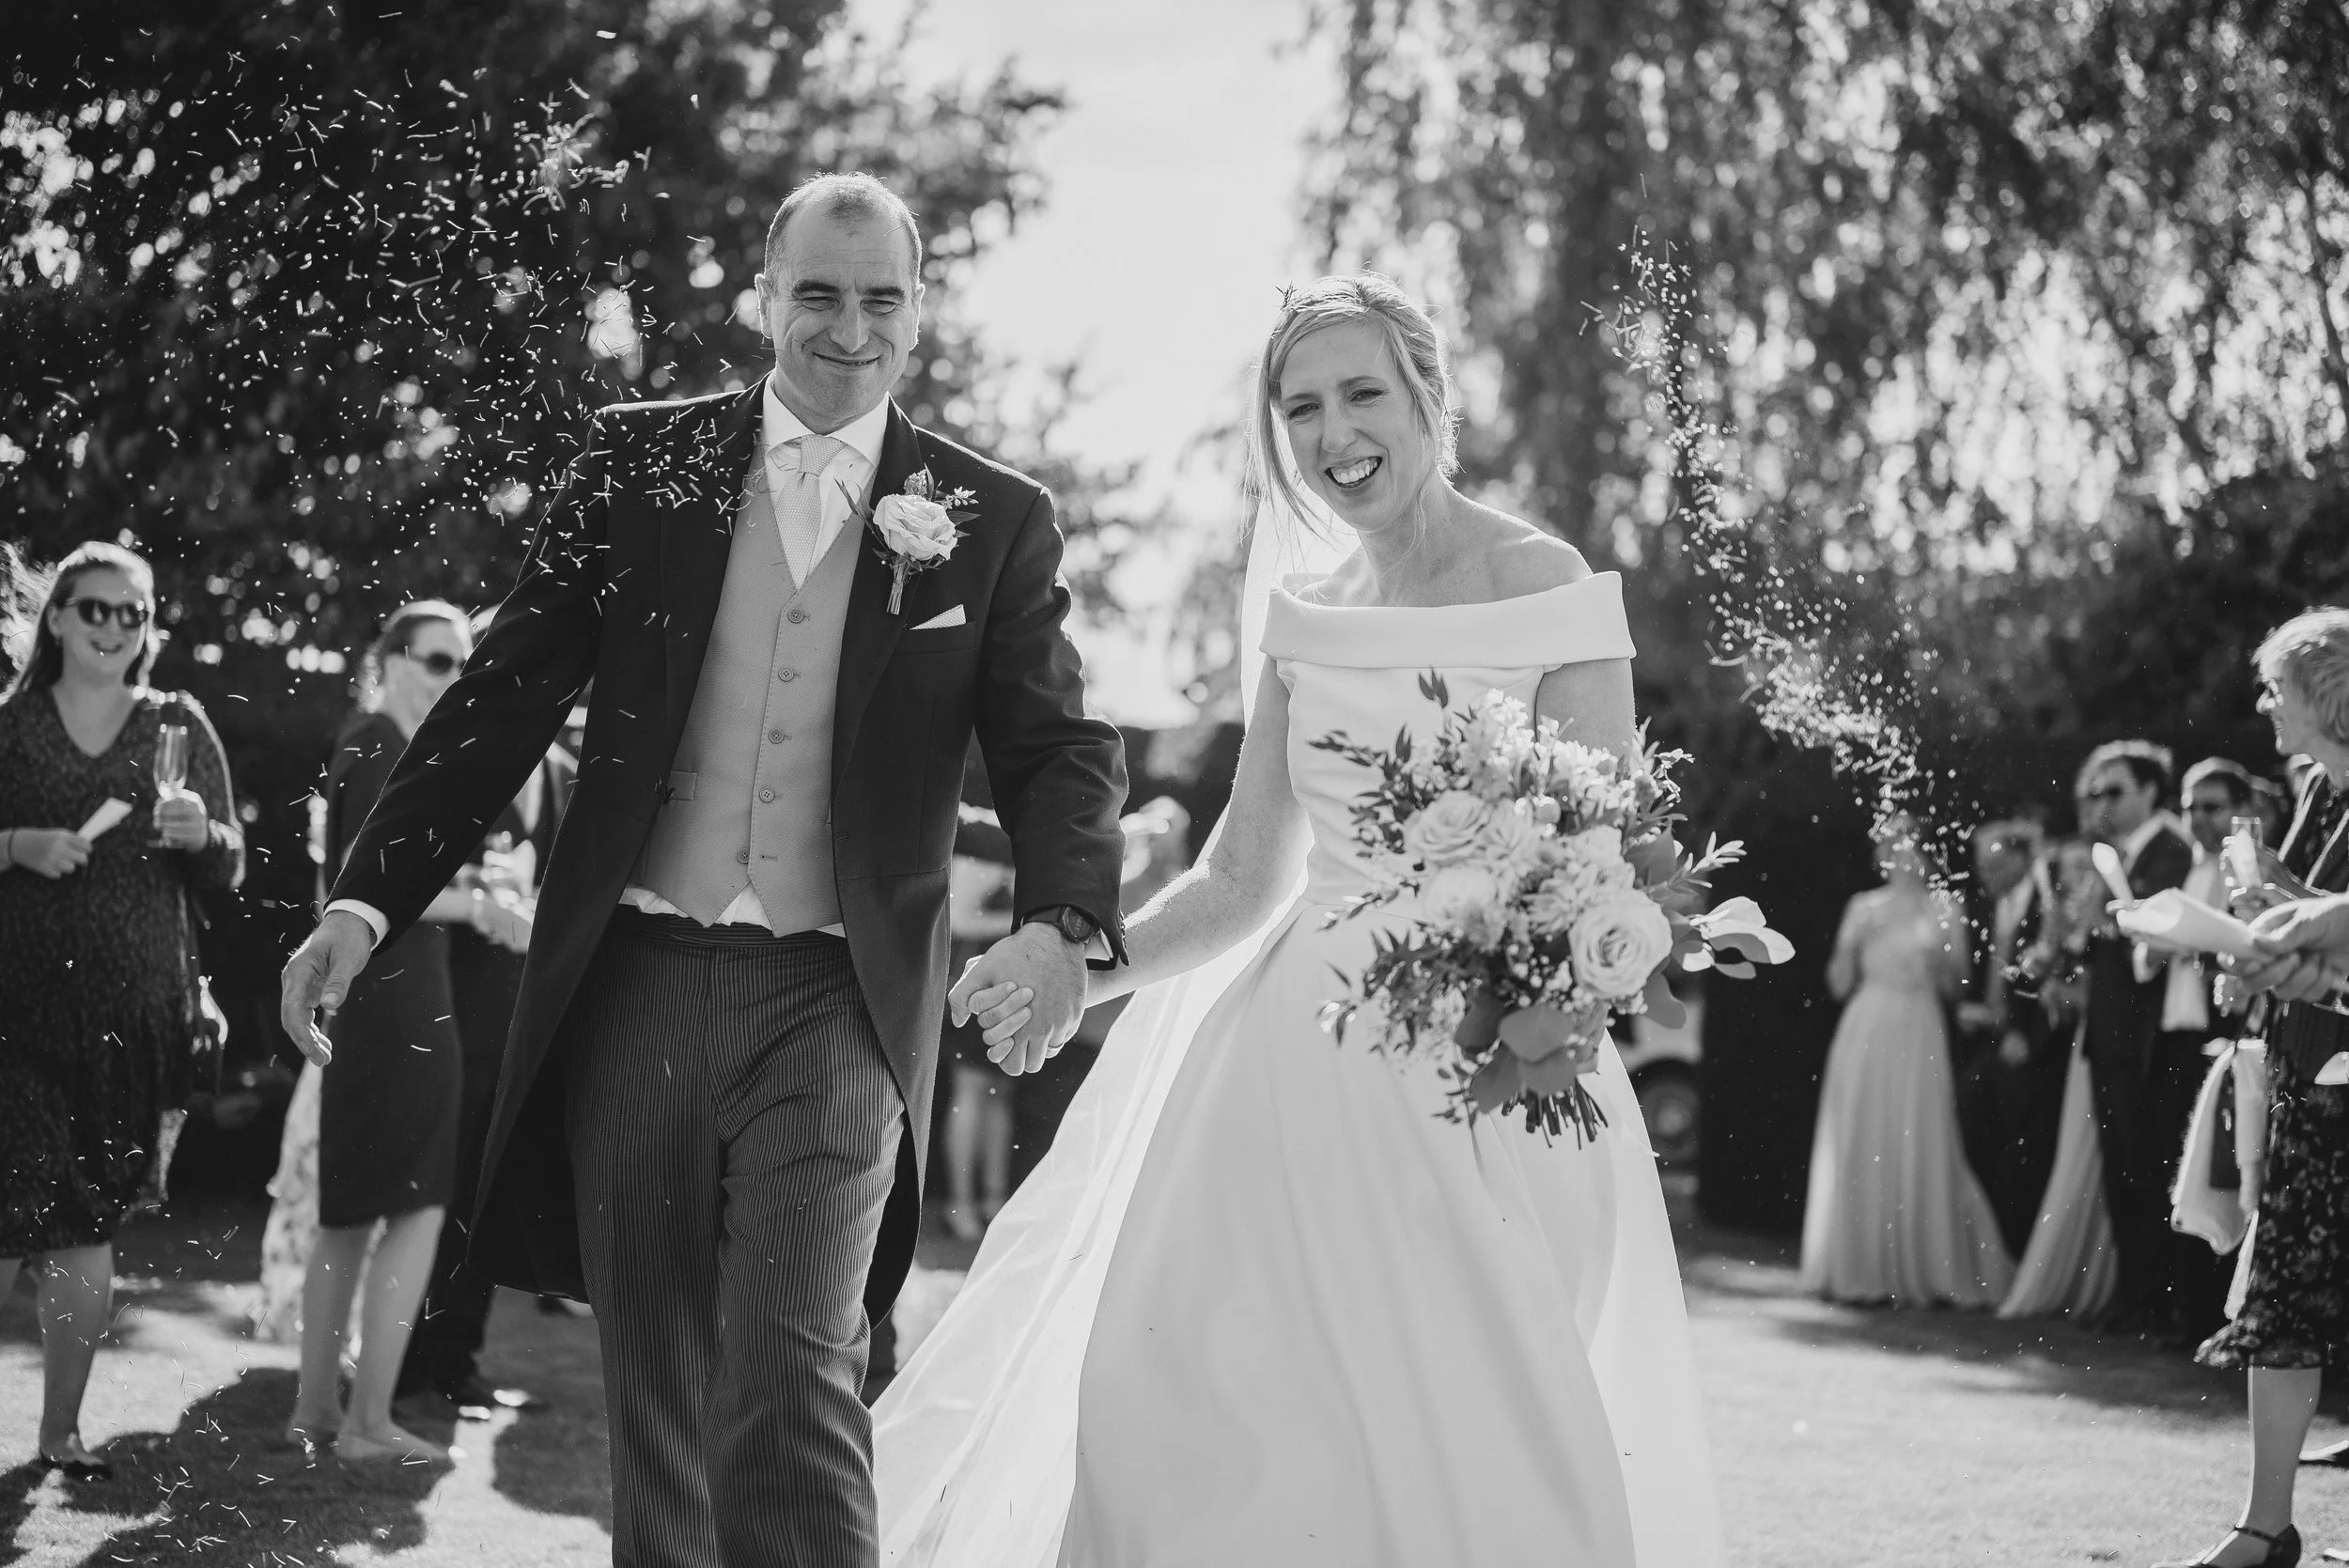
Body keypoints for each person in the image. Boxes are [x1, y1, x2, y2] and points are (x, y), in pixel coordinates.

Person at [278, 172, 1127, 1568]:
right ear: (763, 295)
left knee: (791, 1367)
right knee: (654, 1379)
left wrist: (1059, 922)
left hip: (839, 1000)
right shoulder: (639, 464)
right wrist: (367, 899)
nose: (846, 328)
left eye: (879, 299)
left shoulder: (990, 511)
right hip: (638, 982)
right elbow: (502, 695)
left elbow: (1058, 745)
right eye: (817, 293)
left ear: (918, 314)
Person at [876, 273, 1723, 1564]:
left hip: (1487, 1083)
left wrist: (1539, 990)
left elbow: (1604, 853)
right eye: (1301, 406)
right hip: (1288, 1076)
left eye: (1362, 393)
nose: (1334, 433)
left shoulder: (1550, 587)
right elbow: (1237, 878)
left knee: (1472, 1426)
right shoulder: (1306, 617)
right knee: (1193, 1403)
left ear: (1429, 394)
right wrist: (1075, 974)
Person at [0, 542, 244, 1481]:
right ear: (57, 614)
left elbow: (227, 864)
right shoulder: (11, 726)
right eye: (94, 608)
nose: (112, 627)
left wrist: (203, 835)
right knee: (9, 1208)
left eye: (131, 613)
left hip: (136, 1012)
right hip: (15, 1009)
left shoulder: (175, 723)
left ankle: (59, 1434)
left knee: (87, 1223)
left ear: (150, 628)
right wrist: (17, 842)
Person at [288, 601, 531, 1464]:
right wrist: (482, 907)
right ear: (388, 659)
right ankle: (365, 1423)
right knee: (417, 1208)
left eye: (462, 665)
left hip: (379, 997)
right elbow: (374, 890)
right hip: (399, 1001)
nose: (449, 679)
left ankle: (320, 1413)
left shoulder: (372, 742)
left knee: (352, 1213)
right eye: (436, 660)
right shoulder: (381, 743)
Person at [2160, 609, 2349, 1568]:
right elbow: (2299, 919)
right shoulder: (2317, 789)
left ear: (2325, 693)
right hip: (2307, 1067)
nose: (2263, 703)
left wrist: (2290, 927)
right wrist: (2249, 944)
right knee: (2284, 1293)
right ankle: (2264, 1525)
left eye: (2276, 685)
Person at [394, 704, 573, 1420]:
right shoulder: (469, 757)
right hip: (450, 1011)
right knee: (434, 1189)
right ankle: (400, 1363)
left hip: (525, 1018)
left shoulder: (565, 772)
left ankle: (458, 1358)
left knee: (485, 1194)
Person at [1798, 814, 2015, 1307]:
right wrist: (1852, 944)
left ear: (1924, 853)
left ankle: (1922, 1265)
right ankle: (1857, 1266)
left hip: (1918, 1025)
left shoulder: (1945, 907)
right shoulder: (1862, 907)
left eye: (1908, 846)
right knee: (1862, 1131)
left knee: (1917, 1131)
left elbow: (1956, 988)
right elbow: (1836, 984)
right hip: (1866, 1023)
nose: (1899, 856)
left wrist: (1939, 955)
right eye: (1890, 847)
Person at [2074, 738, 2196, 1330]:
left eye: (2115, 790)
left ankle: (2159, 1300)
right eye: (2096, 791)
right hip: (2110, 1035)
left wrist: (2109, 920)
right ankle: (2132, 1295)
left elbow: (2159, 930)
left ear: (2151, 791)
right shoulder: (2112, 855)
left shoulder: (2172, 851)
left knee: (2150, 1166)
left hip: (2151, 1040)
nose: (2103, 802)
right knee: (2120, 1168)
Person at [1998, 838, 2123, 1321]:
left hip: (2091, 1048)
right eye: (2065, 868)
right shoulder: (2056, 924)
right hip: (2072, 1055)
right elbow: (2026, 983)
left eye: (2080, 866)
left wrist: (2062, 993)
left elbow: (2095, 997)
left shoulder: (2102, 923)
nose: (2071, 876)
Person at [1956, 815, 2062, 1251]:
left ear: (2022, 857)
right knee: (1972, 1131)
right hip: (1987, 1042)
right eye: (1981, 863)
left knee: (2024, 1150)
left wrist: (2027, 1035)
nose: (1985, 872)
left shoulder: (2047, 903)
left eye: (1994, 861)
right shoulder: (1981, 907)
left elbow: (2052, 973)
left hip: (2030, 1050)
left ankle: (2019, 1249)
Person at [938, 804, 1019, 1242]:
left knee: (1000, 1093)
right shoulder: (974, 843)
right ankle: (960, 1204)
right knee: (971, 1092)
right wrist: (1031, 920)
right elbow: (961, 918)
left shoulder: (1015, 846)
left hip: (1006, 986)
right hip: (969, 982)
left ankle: (994, 1199)